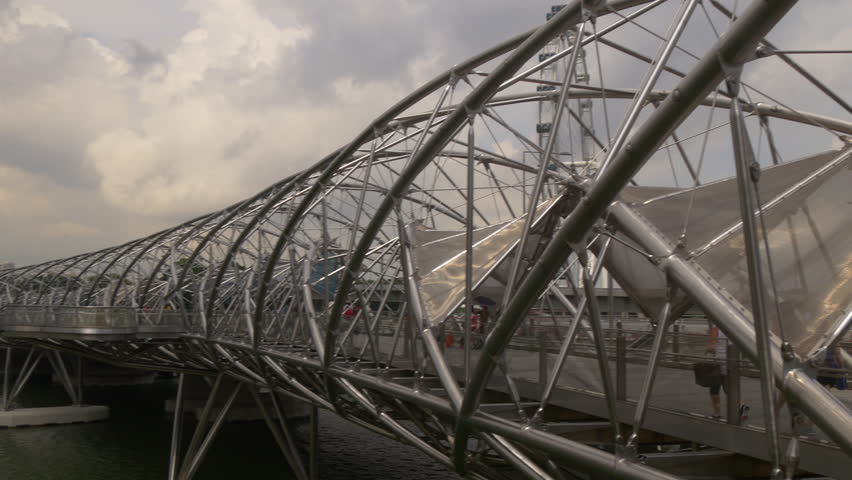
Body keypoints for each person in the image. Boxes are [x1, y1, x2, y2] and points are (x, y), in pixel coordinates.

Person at [706, 323, 727, 419]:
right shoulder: (732, 328)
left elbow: (712, 347)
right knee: (729, 388)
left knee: (714, 389)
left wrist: (708, 348)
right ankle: (740, 406)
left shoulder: (716, 328)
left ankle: (717, 412)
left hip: (718, 361)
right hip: (730, 359)